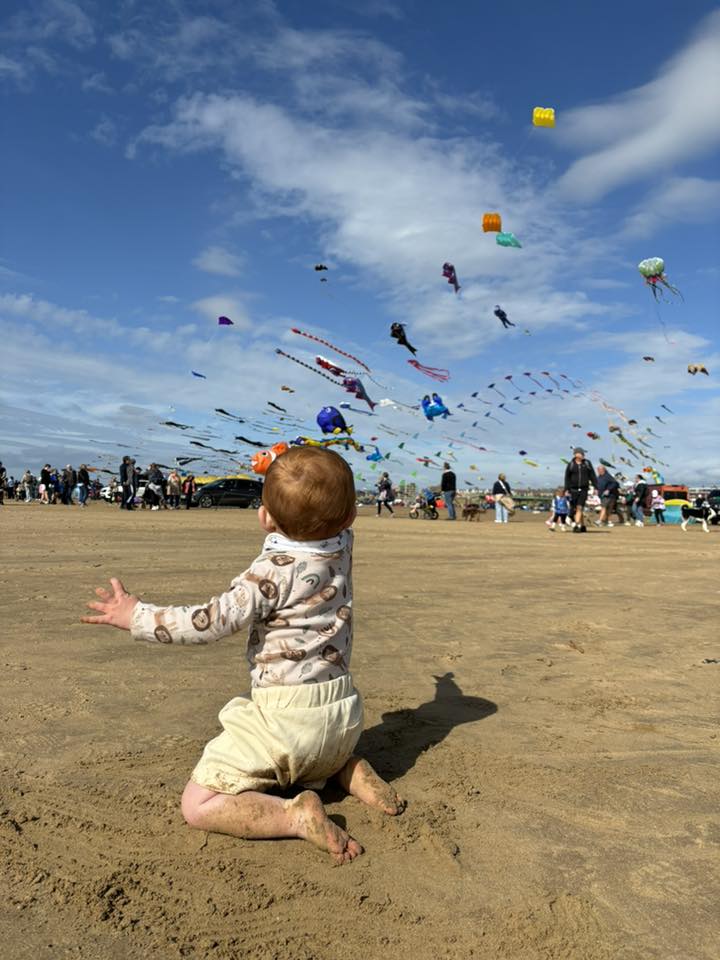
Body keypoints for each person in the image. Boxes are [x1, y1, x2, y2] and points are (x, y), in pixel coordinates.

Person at [81, 446, 403, 865]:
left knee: (198, 803)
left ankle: (293, 815)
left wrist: (136, 616)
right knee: (319, 755)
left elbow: (208, 622)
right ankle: (344, 768)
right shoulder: (341, 548)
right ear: (349, 518)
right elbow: (323, 508)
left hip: (286, 722)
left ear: (265, 517)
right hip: (343, 718)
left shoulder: (270, 573)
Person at [563, 448, 597, 533]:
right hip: (573, 489)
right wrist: (566, 489)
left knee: (580, 507)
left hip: (584, 489)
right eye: (581, 454)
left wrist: (596, 487)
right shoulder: (571, 464)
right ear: (576, 454)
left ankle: (577, 526)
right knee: (574, 508)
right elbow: (567, 478)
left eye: (583, 454)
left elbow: (592, 475)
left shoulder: (587, 463)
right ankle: (582, 525)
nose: (583, 455)